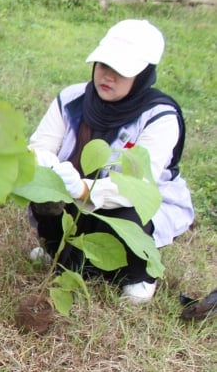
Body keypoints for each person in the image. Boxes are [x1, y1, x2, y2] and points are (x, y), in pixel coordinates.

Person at [27, 19, 194, 304]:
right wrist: (46, 166)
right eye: (104, 65)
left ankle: (138, 275)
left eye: (121, 71)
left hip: (126, 202)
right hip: (72, 193)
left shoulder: (159, 117)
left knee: (130, 217)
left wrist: (83, 189)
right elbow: (40, 146)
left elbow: (138, 185)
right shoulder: (72, 98)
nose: (108, 76)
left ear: (143, 75)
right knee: (43, 194)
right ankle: (58, 248)